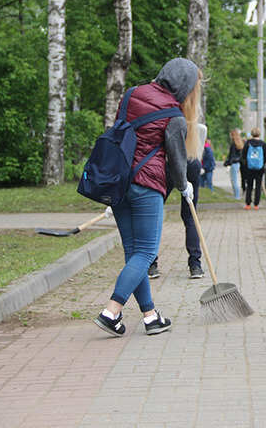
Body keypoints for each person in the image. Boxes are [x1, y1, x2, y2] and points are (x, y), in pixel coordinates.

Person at [94, 57, 201, 337]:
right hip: (147, 186)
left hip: (118, 182)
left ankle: (151, 317)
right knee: (145, 252)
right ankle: (111, 311)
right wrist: (183, 184)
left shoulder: (131, 94)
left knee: (134, 253)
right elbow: (177, 160)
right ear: (186, 85)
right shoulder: (174, 114)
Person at [148, 124, 207, 281]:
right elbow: (199, 149)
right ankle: (195, 266)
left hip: (169, 164)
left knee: (156, 212)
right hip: (192, 163)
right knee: (190, 216)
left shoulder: (168, 119)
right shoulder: (198, 126)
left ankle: (151, 265)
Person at [241, 127, 266, 210]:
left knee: (249, 186)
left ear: (252, 134)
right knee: (258, 186)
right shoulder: (263, 144)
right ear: (259, 134)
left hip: (249, 168)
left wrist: (246, 164)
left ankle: (248, 204)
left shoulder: (248, 143)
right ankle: (256, 205)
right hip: (259, 169)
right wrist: (262, 164)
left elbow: (243, 155)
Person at [224, 129, 244, 200]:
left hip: (233, 164)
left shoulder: (233, 145)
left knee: (234, 180)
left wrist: (228, 163)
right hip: (237, 163)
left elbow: (231, 156)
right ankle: (237, 195)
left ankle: (237, 196)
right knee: (235, 180)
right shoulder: (240, 145)